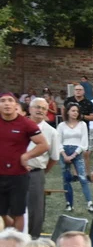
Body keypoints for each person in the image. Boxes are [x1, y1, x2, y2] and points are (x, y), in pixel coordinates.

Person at [0, 92, 49, 232]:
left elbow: (43, 145)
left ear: (16, 105)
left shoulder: (26, 124)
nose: (7, 103)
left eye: (10, 101)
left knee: (18, 213)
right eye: (3, 101)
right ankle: (10, 233)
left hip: (18, 176)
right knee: (1, 213)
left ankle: (18, 245)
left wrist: (27, 156)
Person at [25, 98, 61, 237]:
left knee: (35, 209)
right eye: (37, 107)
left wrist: (40, 171)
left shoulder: (51, 132)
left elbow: (54, 158)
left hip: (35, 173)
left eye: (43, 108)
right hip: (13, 173)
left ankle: (32, 239)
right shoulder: (20, 125)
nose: (40, 110)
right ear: (30, 109)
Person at [57, 102, 93, 212]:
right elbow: (58, 142)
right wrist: (64, 155)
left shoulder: (82, 124)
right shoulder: (61, 125)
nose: (75, 113)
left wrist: (74, 154)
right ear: (68, 112)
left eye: (77, 111)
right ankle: (69, 203)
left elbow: (84, 143)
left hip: (77, 152)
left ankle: (90, 203)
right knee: (66, 179)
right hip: (64, 152)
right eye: (73, 110)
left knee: (83, 178)